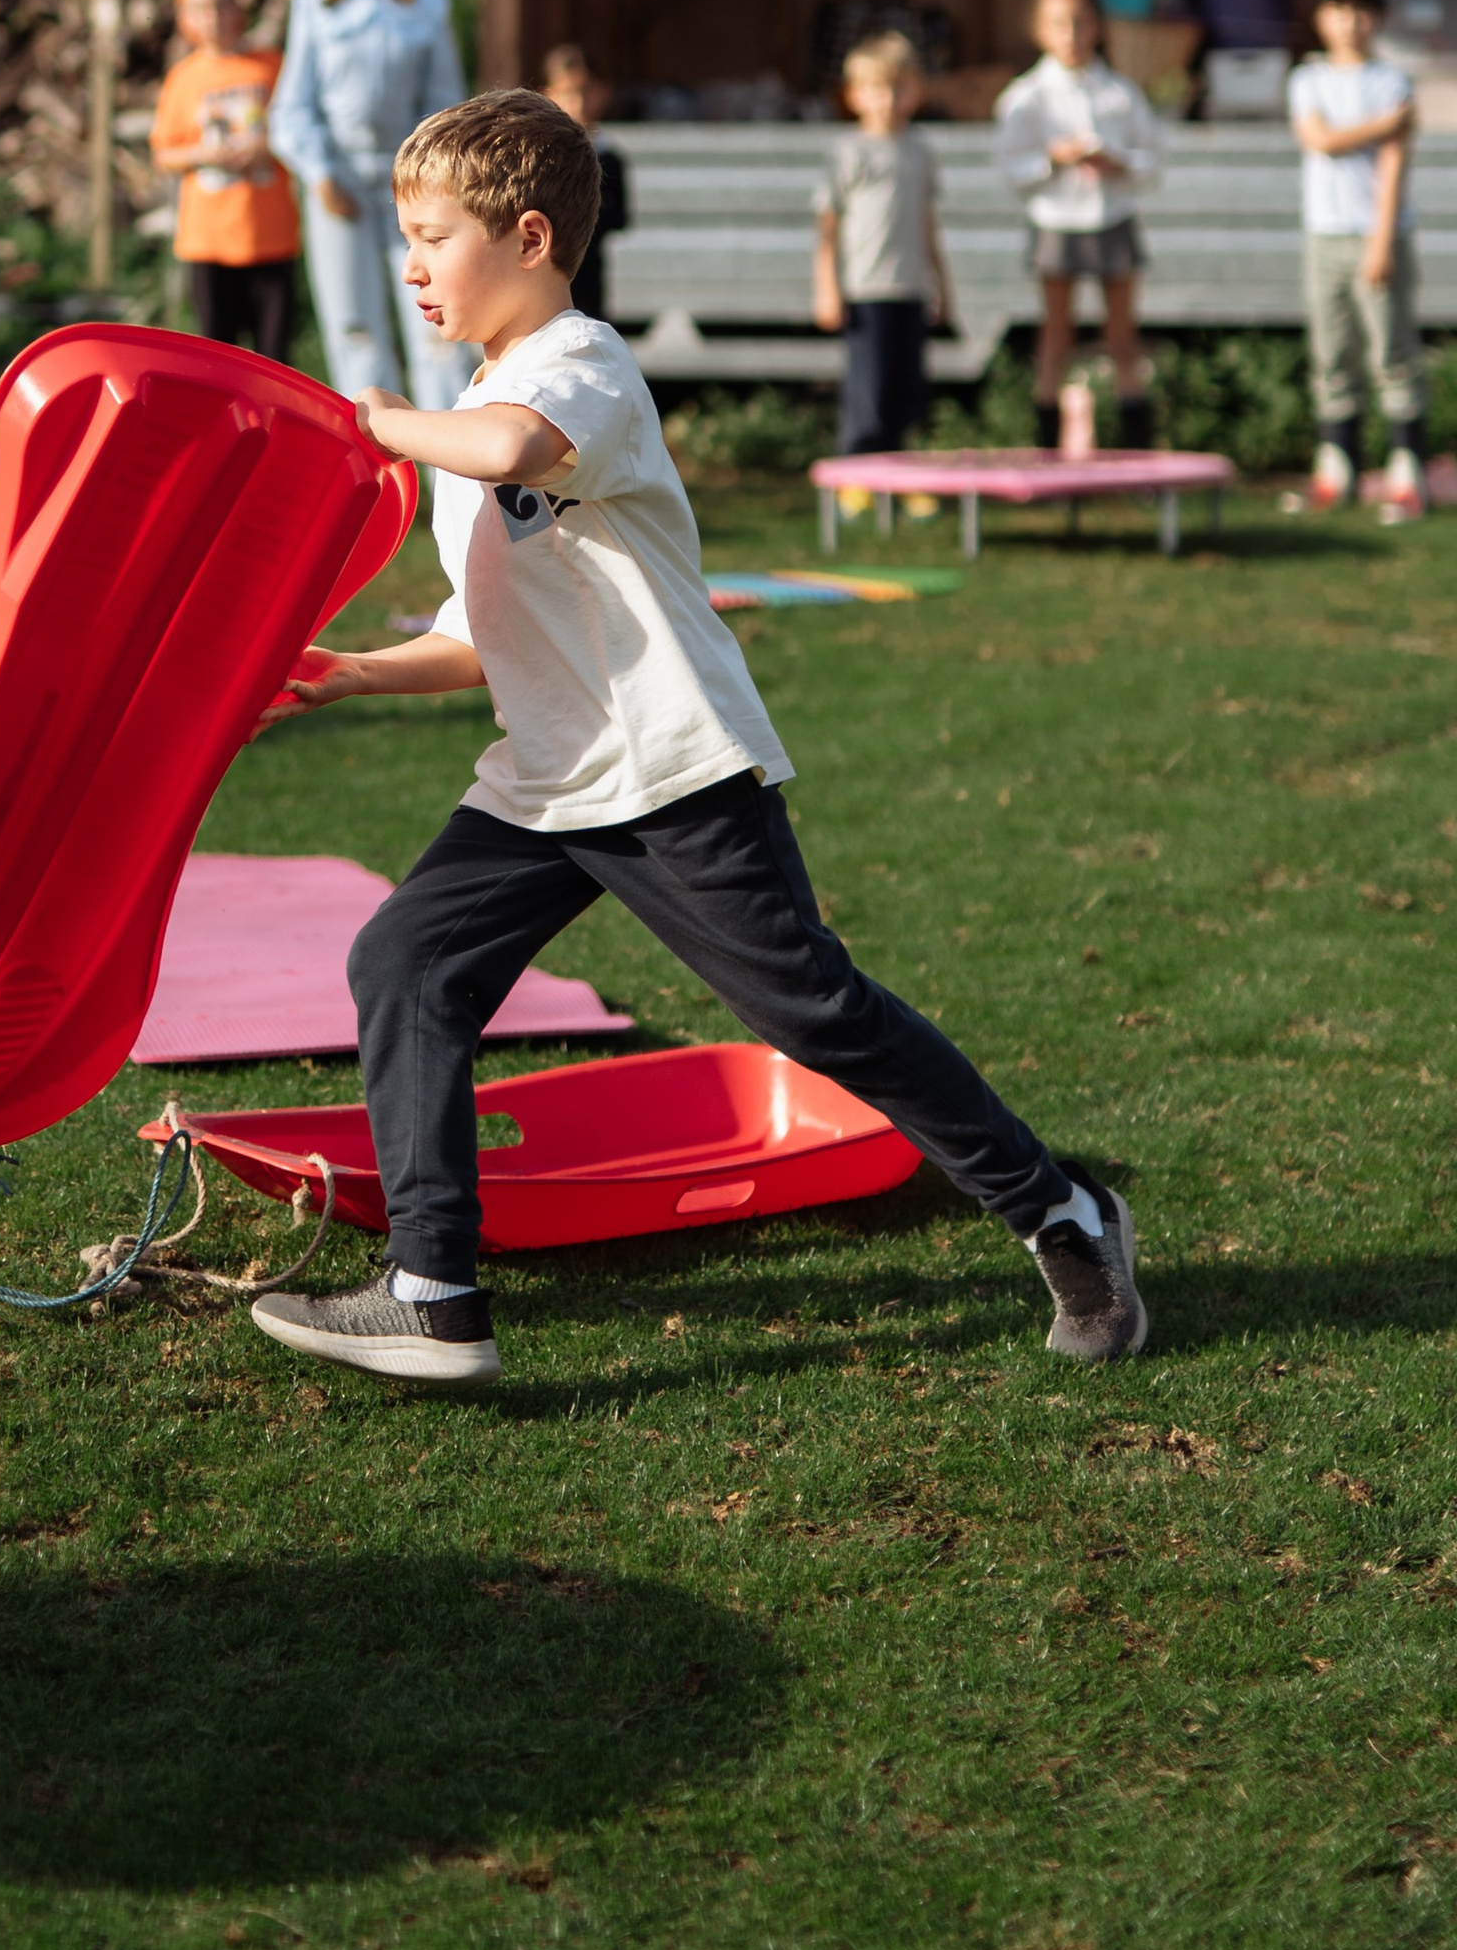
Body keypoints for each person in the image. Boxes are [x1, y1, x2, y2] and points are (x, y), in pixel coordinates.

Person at [248, 87, 1147, 1389]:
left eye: (434, 235)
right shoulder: (490, 390)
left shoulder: (579, 369)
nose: (412, 263)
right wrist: (352, 676)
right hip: (550, 783)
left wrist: (368, 421)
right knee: (406, 963)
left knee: (821, 1016)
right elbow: (486, 625)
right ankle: (434, 1290)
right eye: (408, 235)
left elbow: (512, 447)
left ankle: (1064, 1215)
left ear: (531, 238)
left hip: (670, 771)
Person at [270, 0, 470, 407]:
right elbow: (291, 109)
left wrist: (432, 180)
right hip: (339, 184)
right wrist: (320, 174)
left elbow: (446, 105)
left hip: (414, 185)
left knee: (437, 321)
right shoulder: (314, 6)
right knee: (355, 327)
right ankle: (378, 470)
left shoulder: (428, 9)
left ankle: (452, 467)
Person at [994, 0, 1164, 451]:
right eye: (1058, 24)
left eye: (1079, 21)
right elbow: (1011, 167)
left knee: (1122, 335)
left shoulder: (1119, 92)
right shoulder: (1027, 95)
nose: (1070, 34)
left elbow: (1152, 161)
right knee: (1056, 336)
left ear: (1095, 26)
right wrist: (1055, 159)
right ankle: (1048, 449)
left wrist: (1119, 163)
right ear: (1039, 31)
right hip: (1057, 220)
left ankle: (1136, 453)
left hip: (1112, 216)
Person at [1288, 0, 1426, 522]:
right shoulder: (1308, 79)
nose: (1351, 22)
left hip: (1378, 234)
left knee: (1392, 353)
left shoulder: (1391, 80)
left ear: (1377, 20)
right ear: (1322, 18)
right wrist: (1385, 124)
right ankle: (1335, 468)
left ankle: (1406, 472)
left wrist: (1381, 240)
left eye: (1362, 11)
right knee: (1331, 353)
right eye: (1339, 10)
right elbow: (1318, 139)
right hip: (1325, 234)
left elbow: (1394, 165)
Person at [149, 0, 302, 368]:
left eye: (221, 3)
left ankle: (275, 434)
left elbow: (299, 128)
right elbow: (164, 153)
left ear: (239, 5)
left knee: (275, 360)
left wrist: (268, 146)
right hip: (208, 242)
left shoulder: (271, 66)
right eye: (200, 7)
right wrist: (202, 153)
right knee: (217, 360)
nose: (213, 16)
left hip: (270, 236)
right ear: (185, 17)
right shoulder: (183, 78)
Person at [812, 29, 951, 457]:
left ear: (918, 91)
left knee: (907, 392)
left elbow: (928, 224)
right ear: (854, 95)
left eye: (899, 87)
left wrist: (942, 286)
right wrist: (827, 288)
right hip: (865, 292)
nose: (888, 98)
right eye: (876, 88)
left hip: (910, 289)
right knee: (868, 394)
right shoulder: (849, 152)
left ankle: (905, 477)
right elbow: (828, 228)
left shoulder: (920, 151)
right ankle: (858, 476)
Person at [541, 42, 628, 322]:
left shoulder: (610, 158)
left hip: (589, 272)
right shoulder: (542, 160)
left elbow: (620, 217)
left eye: (585, 92)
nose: (578, 103)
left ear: (603, 92)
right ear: (549, 95)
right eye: (568, 93)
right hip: (544, 272)